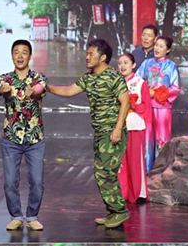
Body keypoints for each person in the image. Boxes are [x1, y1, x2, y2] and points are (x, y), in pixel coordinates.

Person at [48, 39, 130, 228]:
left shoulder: (113, 77)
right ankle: (113, 212)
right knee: (102, 172)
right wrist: (48, 88)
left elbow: (125, 102)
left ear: (103, 57)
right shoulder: (88, 78)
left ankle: (120, 211)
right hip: (100, 132)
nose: (87, 57)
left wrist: (118, 128)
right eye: (87, 53)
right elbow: (69, 91)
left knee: (104, 172)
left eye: (91, 54)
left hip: (112, 132)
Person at [0, 39, 47, 232]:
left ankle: (32, 216)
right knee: (10, 182)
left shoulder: (39, 78)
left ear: (30, 56)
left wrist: (33, 92)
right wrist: (6, 91)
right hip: (11, 138)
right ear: (12, 56)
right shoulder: (4, 78)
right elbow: (4, 90)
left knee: (37, 181)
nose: (20, 56)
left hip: (35, 138)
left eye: (24, 52)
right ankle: (16, 216)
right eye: (16, 52)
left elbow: (39, 90)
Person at [136, 34, 180, 171]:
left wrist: (155, 93)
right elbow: (137, 81)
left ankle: (161, 171)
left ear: (168, 49)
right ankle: (146, 171)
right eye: (156, 45)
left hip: (163, 109)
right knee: (147, 140)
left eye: (161, 46)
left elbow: (175, 88)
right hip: (147, 108)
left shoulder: (171, 66)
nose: (157, 48)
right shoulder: (146, 63)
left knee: (162, 139)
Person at [117, 52, 152, 205]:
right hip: (118, 127)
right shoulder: (116, 83)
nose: (122, 66)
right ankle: (122, 193)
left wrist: (132, 104)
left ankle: (139, 192)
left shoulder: (140, 83)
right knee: (120, 162)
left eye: (126, 62)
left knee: (135, 162)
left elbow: (146, 106)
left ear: (133, 65)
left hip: (135, 126)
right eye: (120, 63)